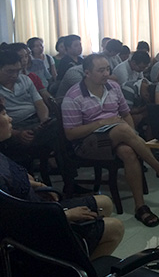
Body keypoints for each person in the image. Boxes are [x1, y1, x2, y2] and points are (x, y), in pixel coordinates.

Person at [61, 54, 159, 227]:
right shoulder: (73, 96)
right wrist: (101, 123)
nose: (106, 74)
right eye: (101, 70)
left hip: (115, 134)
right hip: (86, 143)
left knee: (128, 151)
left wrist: (132, 136)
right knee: (122, 129)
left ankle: (140, 207)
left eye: (107, 69)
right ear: (87, 73)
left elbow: (126, 114)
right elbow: (71, 134)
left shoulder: (113, 87)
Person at [0, 102, 124, 260]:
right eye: (4, 114)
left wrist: (37, 185)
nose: (10, 118)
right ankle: (77, 271)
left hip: (39, 207)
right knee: (115, 228)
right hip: (34, 234)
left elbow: (14, 178)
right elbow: (17, 222)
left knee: (105, 203)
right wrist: (66, 215)